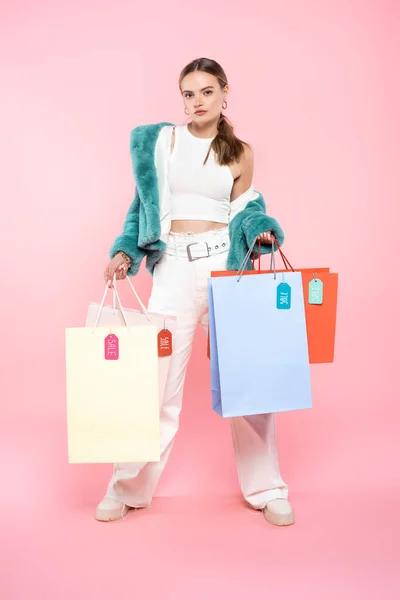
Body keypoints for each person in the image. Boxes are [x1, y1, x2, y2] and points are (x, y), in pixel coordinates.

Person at [98, 57, 294, 527]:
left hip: (227, 268)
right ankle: (127, 488)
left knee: (248, 382)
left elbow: (247, 210)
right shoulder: (163, 142)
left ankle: (268, 489)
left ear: (225, 93)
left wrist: (260, 230)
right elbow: (141, 205)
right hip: (173, 269)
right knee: (156, 384)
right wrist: (126, 251)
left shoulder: (240, 153)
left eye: (207, 91)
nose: (197, 102)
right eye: (189, 94)